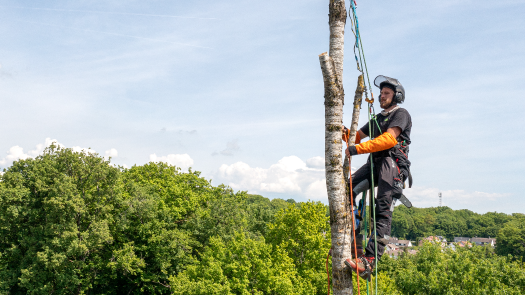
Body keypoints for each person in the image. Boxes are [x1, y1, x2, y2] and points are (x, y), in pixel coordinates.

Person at [342, 75, 412, 280]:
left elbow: (389, 138)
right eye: (381, 93)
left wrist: (357, 149)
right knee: (348, 189)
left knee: (382, 209)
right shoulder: (378, 118)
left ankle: (370, 260)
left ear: (397, 96)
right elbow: (356, 136)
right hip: (375, 163)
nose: (382, 96)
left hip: (391, 164)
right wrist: (341, 130)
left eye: (386, 93)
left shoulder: (401, 114)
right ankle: (353, 245)